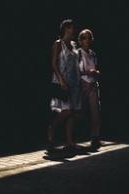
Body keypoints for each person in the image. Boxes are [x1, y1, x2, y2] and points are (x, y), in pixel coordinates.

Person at [47, 19, 82, 151]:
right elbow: (54, 64)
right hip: (62, 81)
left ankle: (69, 141)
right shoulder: (58, 44)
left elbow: (75, 66)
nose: (74, 30)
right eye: (72, 27)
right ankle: (52, 128)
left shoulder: (73, 45)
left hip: (73, 83)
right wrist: (61, 80)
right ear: (66, 28)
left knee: (72, 112)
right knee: (66, 111)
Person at [78, 29, 102, 150]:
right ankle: (70, 138)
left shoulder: (93, 53)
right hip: (82, 84)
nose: (87, 40)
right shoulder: (78, 53)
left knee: (95, 112)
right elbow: (75, 71)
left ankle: (95, 137)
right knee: (79, 112)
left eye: (89, 38)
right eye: (84, 38)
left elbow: (97, 69)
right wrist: (88, 72)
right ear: (80, 41)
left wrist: (96, 72)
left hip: (93, 84)